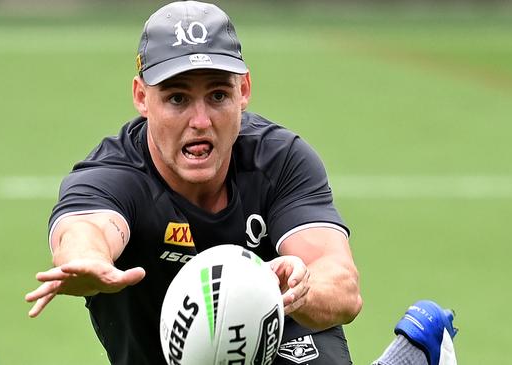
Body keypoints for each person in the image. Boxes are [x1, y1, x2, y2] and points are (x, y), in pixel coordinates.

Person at [25, 2, 457, 365]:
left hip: (283, 335)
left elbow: (342, 286)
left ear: (244, 90)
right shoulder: (114, 174)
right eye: (177, 98)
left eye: (217, 95)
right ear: (142, 97)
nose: (200, 121)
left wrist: (300, 290)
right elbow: (88, 228)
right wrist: (85, 262)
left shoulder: (280, 160)